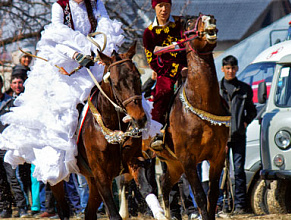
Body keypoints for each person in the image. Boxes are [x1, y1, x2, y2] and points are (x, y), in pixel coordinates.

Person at [0, 0, 124, 186]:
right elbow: (55, 37)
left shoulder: (96, 3)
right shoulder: (60, 5)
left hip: (96, 58)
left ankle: (133, 142)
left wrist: (101, 51)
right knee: (63, 109)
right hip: (67, 62)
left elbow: (106, 26)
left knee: (123, 90)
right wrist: (76, 55)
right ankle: (66, 156)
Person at [143, 0, 187, 150]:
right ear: (154, 8)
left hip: (188, 66)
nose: (164, 9)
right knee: (163, 92)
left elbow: (186, 44)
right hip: (166, 72)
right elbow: (152, 60)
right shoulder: (149, 33)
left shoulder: (180, 24)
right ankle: (158, 131)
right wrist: (175, 68)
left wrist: (167, 49)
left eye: (166, 5)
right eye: (160, 6)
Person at [219, 55, 257, 214]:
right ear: (222, 69)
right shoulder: (217, 89)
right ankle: (223, 205)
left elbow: (252, 110)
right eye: (227, 68)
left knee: (239, 171)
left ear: (237, 69)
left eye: (233, 68)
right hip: (221, 138)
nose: (230, 71)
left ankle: (240, 205)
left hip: (239, 135)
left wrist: (246, 122)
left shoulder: (244, 88)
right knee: (221, 173)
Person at [0, 74, 29, 218]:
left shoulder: (10, 102)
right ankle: (5, 208)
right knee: (1, 180)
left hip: (7, 146)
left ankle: (22, 207)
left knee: (13, 178)